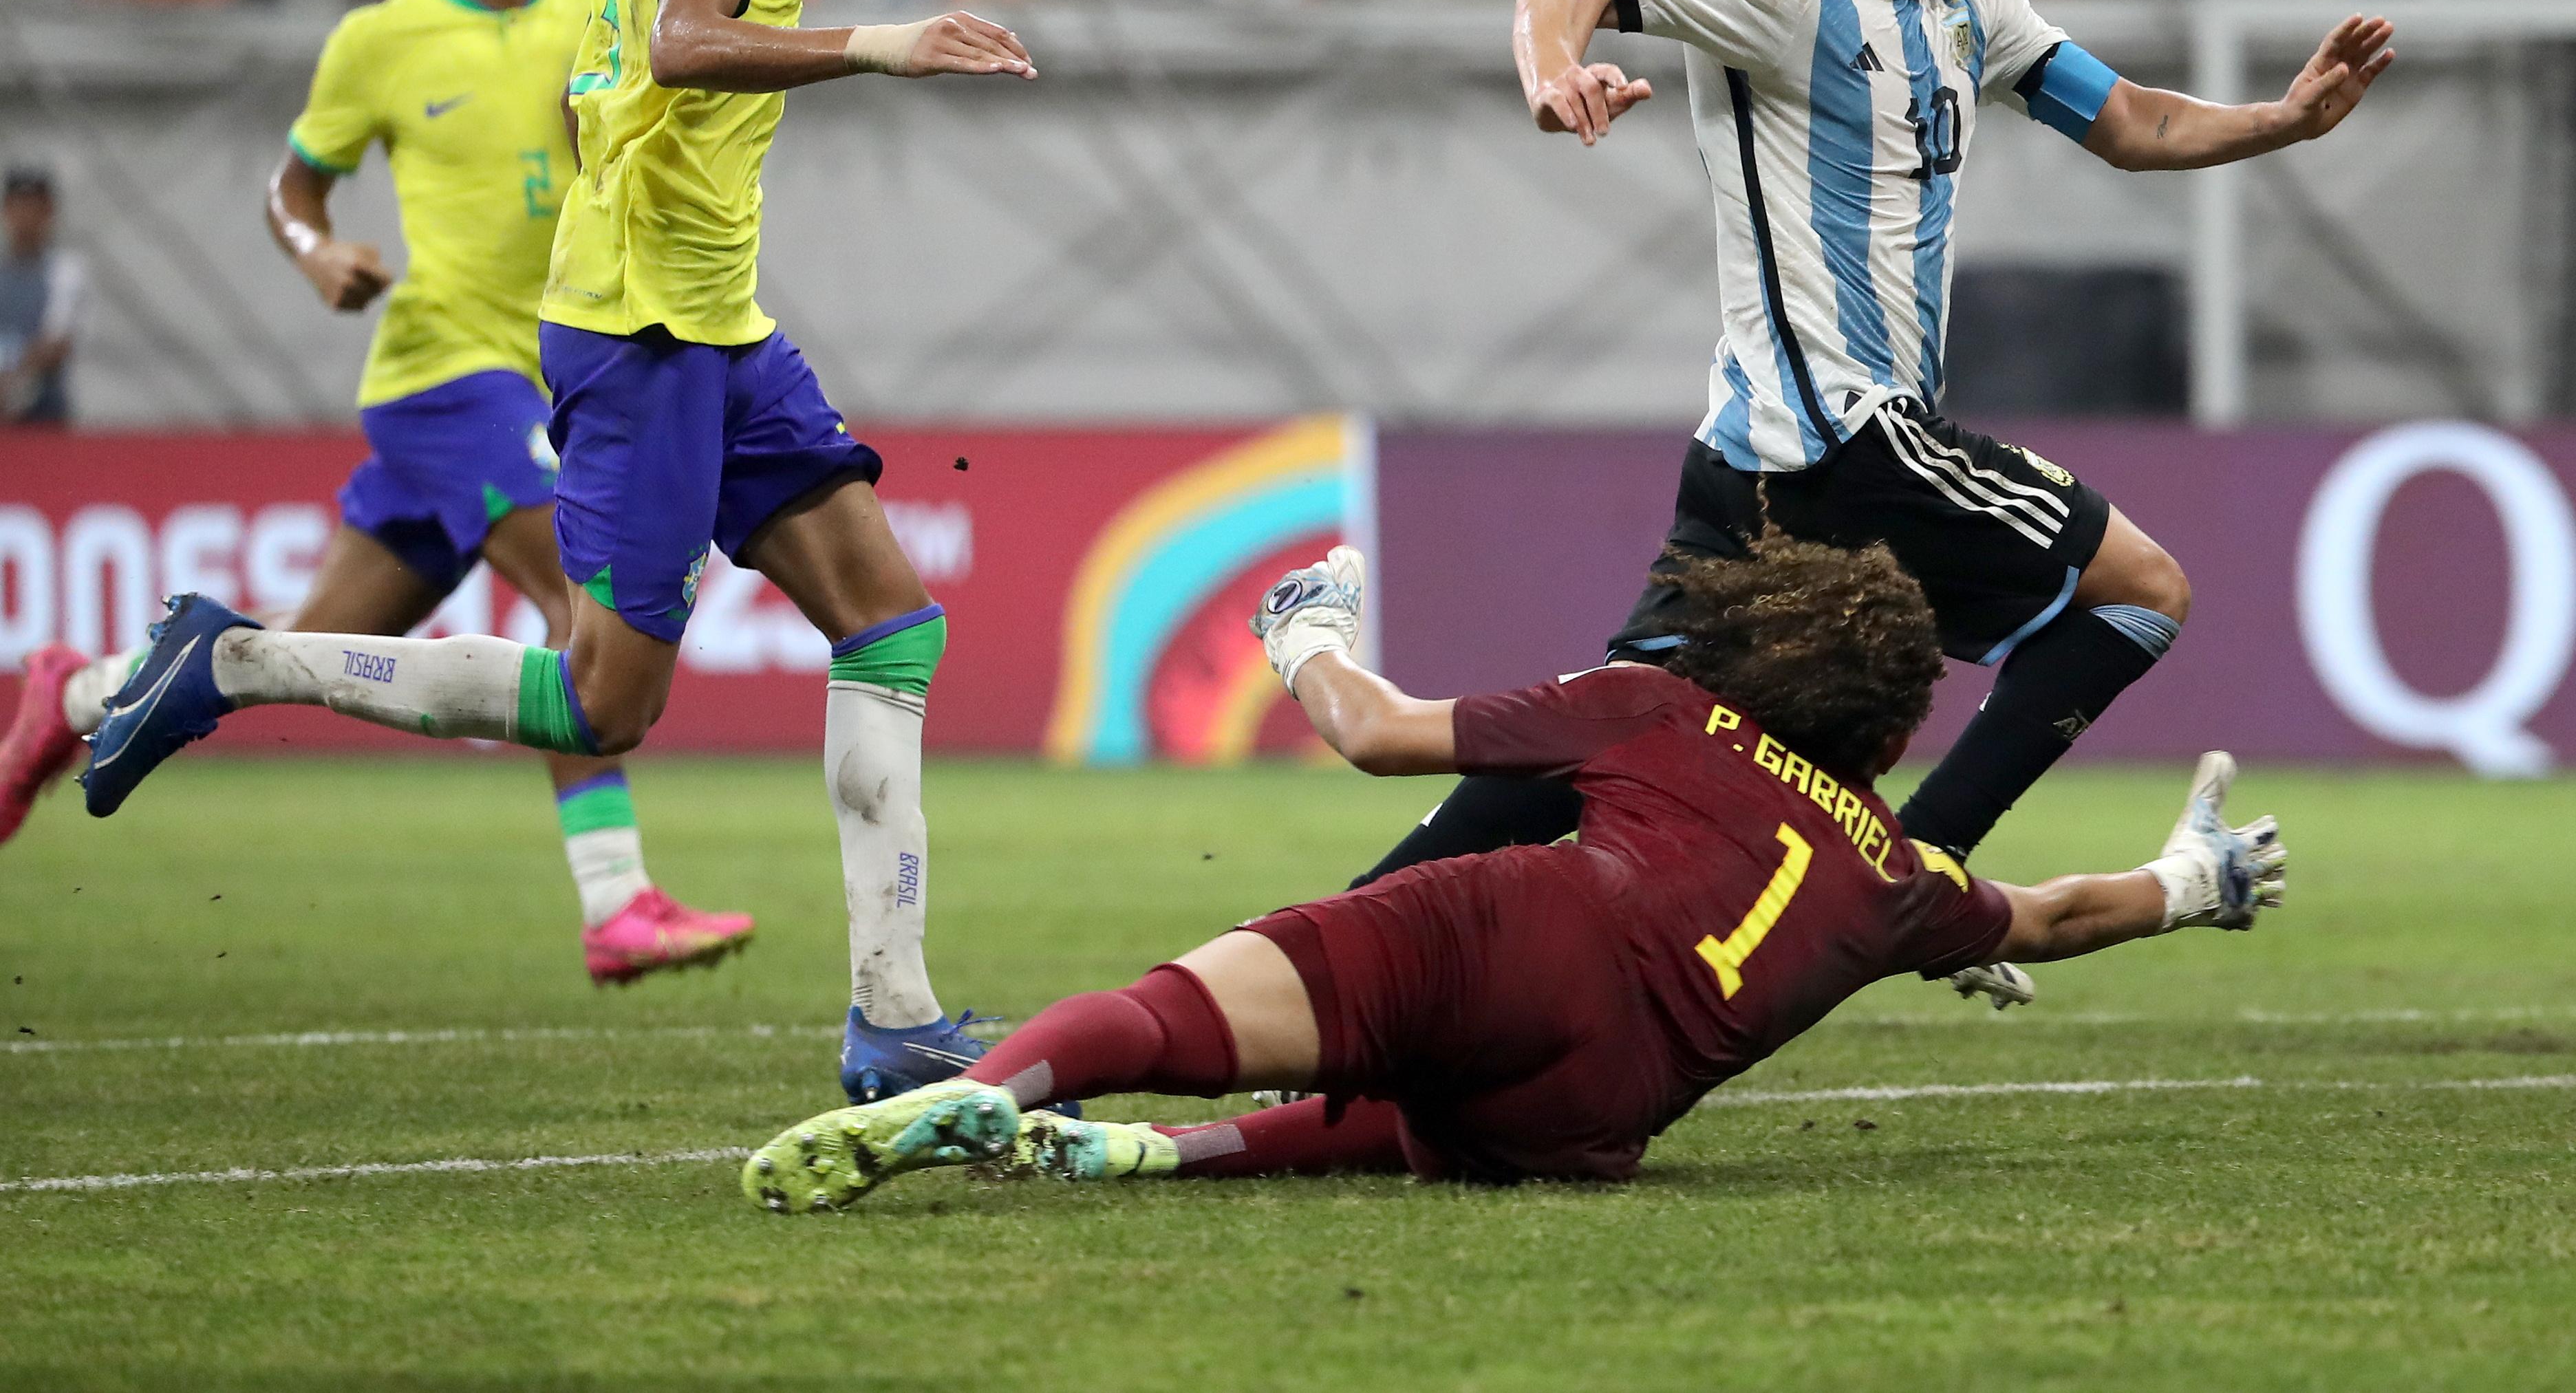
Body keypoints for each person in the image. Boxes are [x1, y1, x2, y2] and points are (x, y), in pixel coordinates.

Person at [69, 0, 1040, 1104]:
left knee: (890, 614)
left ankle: (893, 1013)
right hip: (647, 335)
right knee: (606, 699)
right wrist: (888, 41)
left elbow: (609, 74)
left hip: (701, 316)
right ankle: (237, 658)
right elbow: (682, 41)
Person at [1340, 0, 2388, 1011]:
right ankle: (1923, 876)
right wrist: (1554, 73)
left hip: (1748, 472)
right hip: (1854, 440)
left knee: (1598, 738)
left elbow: (2130, 122)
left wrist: (2280, 120)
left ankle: (1328, 947)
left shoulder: (1974, 6)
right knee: (2143, 591)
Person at [738, 536, 2286, 1208]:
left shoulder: (1658, 704)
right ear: (1885, 726)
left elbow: (1380, 735)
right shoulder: (1893, 866)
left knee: (1168, 1007)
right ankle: (1164, 1159)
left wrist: (1302, 632)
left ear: (1760, 639)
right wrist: (2194, 884)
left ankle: (992, 1093)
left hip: (1527, 930)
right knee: (1417, 1113)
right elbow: (2056, 912)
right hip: (1593, 1115)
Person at [1, 0, 760, 980]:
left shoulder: (594, 11)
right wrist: (316, 253)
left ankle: (76, 687)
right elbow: (292, 185)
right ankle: (617, 900)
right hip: (445, 376)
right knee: (586, 610)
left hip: (560, 368)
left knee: (281, 658)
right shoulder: (380, 40)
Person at [0, 162, 84, 424]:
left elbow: (57, 342)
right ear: (7, 210)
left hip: (46, 417)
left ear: (49, 212)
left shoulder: (66, 272)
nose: (27, 215)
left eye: (35, 206)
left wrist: (12, 373)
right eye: (20, 205)